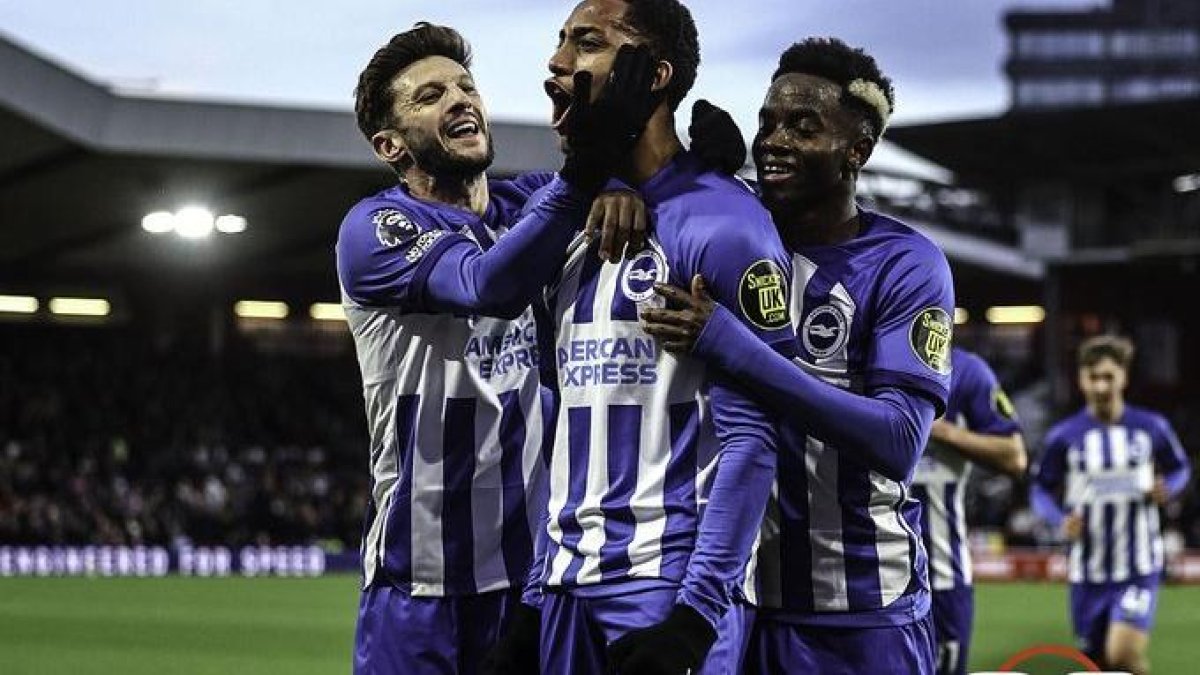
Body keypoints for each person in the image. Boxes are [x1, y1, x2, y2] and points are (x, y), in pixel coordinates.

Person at [337, 22, 660, 674]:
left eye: (465, 86)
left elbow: (628, 193)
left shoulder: (528, 200)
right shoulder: (374, 229)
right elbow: (488, 285)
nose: (459, 99)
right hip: (418, 590)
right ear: (389, 144)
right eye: (429, 96)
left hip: (535, 587)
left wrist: (639, 182)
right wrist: (590, 178)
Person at [488, 2, 795, 674]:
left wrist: (695, 617)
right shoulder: (562, 218)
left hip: (668, 583)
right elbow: (565, 426)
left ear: (653, 74)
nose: (558, 60)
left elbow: (752, 441)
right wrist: (539, 597)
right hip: (569, 586)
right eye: (560, 40)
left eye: (587, 41)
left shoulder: (726, 224)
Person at [639, 37, 954, 674]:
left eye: (803, 127)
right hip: (737, 604)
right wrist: (624, 187)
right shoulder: (735, 234)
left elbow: (898, 441)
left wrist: (731, 344)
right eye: (768, 123)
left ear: (856, 152)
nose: (775, 140)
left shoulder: (906, 264)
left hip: (862, 612)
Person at [1030, 335, 1191, 675]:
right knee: (1099, 666)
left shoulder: (1150, 428)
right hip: (1087, 574)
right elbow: (1040, 489)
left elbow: (1180, 468)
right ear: (1081, 380)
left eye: (1109, 376)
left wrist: (1169, 488)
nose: (1102, 386)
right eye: (1094, 377)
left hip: (1138, 567)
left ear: (1124, 378)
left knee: (1122, 655)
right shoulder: (1064, 436)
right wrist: (1060, 519)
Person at [911, 347, 1027, 675]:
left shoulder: (966, 371)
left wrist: (940, 430)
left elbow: (1014, 456)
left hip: (943, 576)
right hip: (868, 578)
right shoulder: (858, 354)